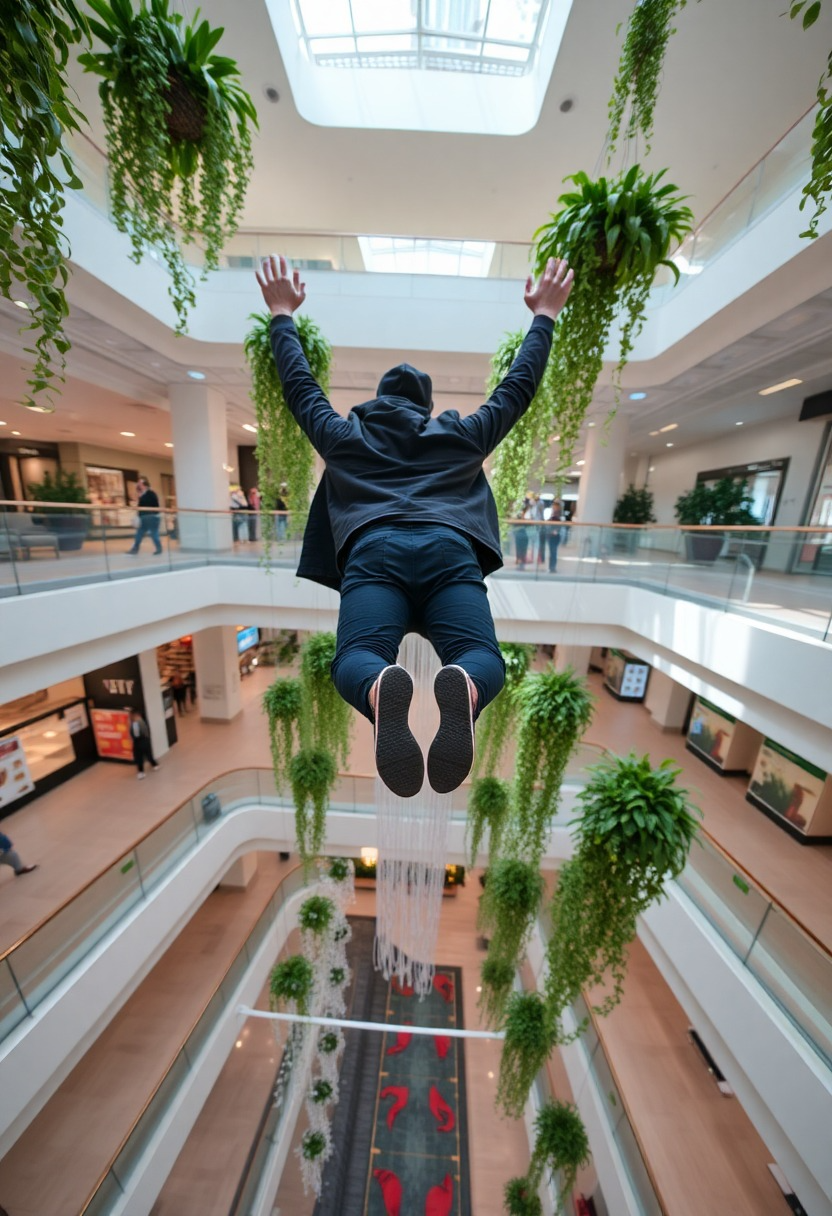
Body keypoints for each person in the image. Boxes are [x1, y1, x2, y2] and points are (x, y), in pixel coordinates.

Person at [255, 254, 573, 799]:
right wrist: (543, 315)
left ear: (378, 400)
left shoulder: (343, 435)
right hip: (450, 552)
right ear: (426, 407)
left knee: (358, 657)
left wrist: (282, 314)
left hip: (372, 553)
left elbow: (299, 388)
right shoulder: (461, 435)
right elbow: (516, 390)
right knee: (480, 656)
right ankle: (465, 687)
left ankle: (382, 689)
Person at [127, 477, 163, 555]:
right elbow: (140, 507)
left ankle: (159, 548)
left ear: (145, 485)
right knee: (139, 533)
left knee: (154, 534)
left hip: (152, 517)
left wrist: (141, 497)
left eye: (141, 484)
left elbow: (154, 504)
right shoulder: (142, 495)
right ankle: (135, 549)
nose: (139, 485)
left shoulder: (151, 493)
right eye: (138, 483)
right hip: (144, 518)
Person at [129, 708, 159, 779]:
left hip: (139, 743)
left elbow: (136, 735)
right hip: (146, 741)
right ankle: (155, 765)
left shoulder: (135, 724)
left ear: (134, 715)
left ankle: (141, 772)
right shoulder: (143, 721)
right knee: (148, 754)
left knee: (139, 758)